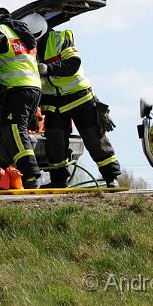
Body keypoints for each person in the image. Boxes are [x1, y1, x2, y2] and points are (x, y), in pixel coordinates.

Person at [22, 12, 120, 188]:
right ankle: (59, 181)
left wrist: (48, 68)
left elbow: (73, 64)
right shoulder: (28, 47)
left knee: (94, 139)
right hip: (54, 102)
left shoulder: (61, 38)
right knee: (54, 142)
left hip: (79, 98)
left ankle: (111, 177)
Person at [0, 4, 42, 189]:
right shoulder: (23, 34)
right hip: (35, 89)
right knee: (18, 132)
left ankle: (30, 176)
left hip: (18, 89)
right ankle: (21, 174)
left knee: (14, 131)